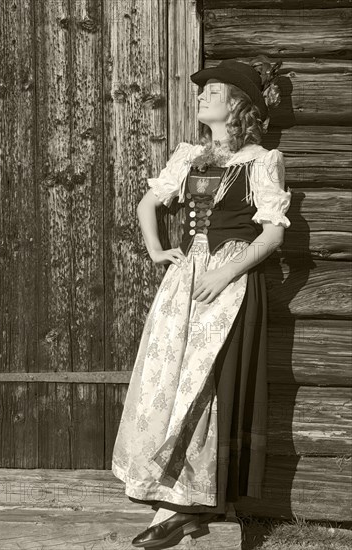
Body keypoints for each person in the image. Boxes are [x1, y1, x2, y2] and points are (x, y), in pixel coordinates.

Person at [111, 57, 292, 549]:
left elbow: (273, 232)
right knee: (168, 379)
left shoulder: (261, 160)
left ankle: (184, 505)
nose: (202, 96)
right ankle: (172, 495)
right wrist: (156, 250)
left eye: (214, 91)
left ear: (239, 105)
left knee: (207, 383)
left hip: (228, 281)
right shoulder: (190, 156)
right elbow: (148, 203)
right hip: (186, 278)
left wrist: (229, 270)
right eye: (202, 91)